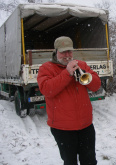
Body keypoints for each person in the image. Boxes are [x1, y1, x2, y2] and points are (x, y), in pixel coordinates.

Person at [37, 36, 101, 165]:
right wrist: (67, 73)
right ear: (56, 52)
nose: (67, 55)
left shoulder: (81, 64)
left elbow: (96, 86)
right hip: (63, 128)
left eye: (69, 52)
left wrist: (84, 74)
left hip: (85, 126)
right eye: (63, 52)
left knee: (89, 161)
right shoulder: (46, 68)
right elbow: (47, 90)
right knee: (70, 162)